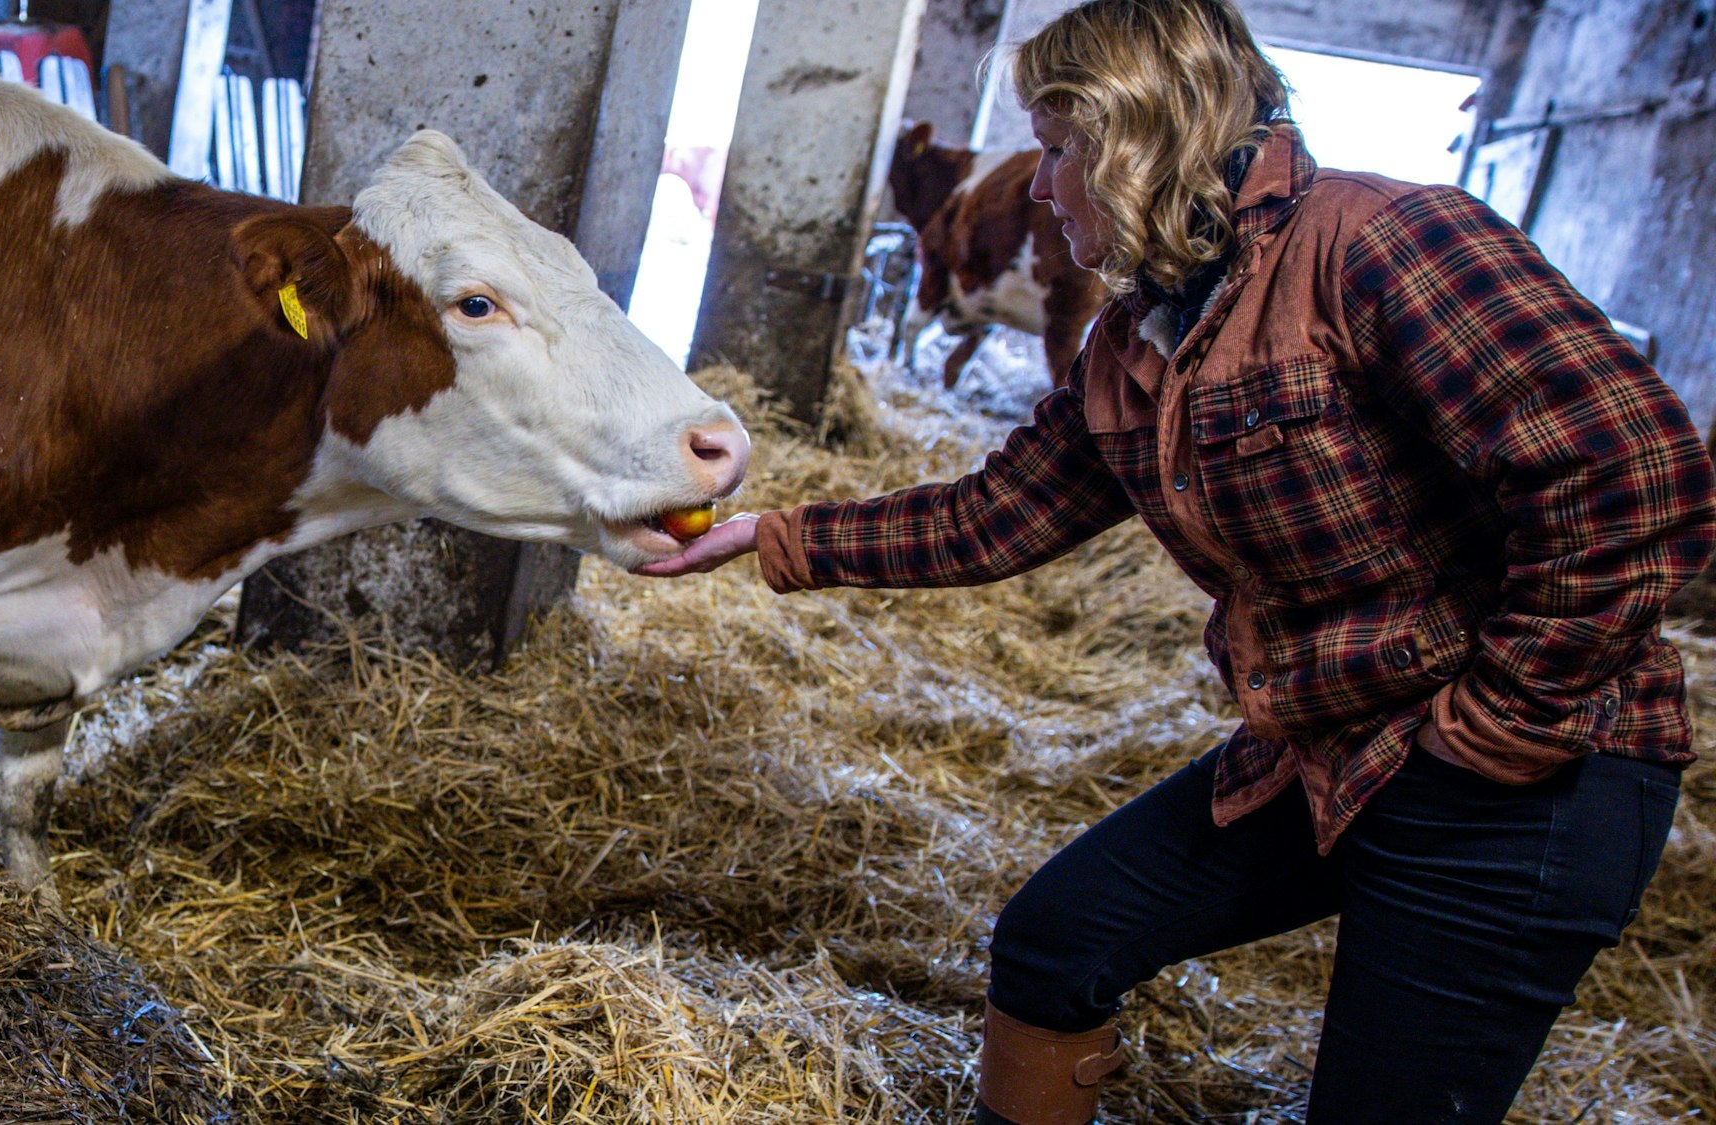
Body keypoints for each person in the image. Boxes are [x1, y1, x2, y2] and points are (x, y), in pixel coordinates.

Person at [636, 1, 1716, 1122]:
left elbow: (1632, 479)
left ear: (1135, 133)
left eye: (1057, 151)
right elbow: (994, 515)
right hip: (1328, 743)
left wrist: (1494, 720)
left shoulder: (1380, 240)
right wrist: (776, 535)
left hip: (1526, 776)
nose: (1041, 188)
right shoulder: (1130, 341)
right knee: (1058, 940)